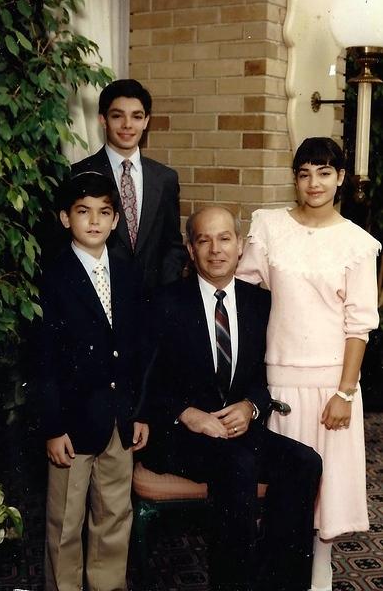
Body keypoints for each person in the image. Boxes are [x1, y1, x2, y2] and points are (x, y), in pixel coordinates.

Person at [140, 205, 322, 591]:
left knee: (305, 462)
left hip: (239, 430)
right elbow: (146, 382)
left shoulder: (260, 303)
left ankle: (278, 582)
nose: (215, 249)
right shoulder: (165, 302)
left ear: (240, 245)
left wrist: (251, 406)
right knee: (236, 465)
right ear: (191, 249)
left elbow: (263, 375)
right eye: (204, 239)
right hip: (182, 436)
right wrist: (187, 414)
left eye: (224, 238)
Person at [236, 137, 381, 591]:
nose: (313, 183)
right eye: (304, 173)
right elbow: (241, 294)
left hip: (330, 388)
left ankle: (319, 575)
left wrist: (344, 392)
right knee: (282, 489)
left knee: (326, 493)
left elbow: (359, 326)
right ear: (295, 179)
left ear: (340, 178)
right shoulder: (269, 226)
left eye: (324, 172)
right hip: (276, 381)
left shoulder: (358, 244)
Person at [36, 173, 149, 591]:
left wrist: (138, 411)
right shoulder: (52, 276)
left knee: (114, 515)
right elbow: (43, 360)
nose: (94, 221)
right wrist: (52, 427)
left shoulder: (127, 272)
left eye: (104, 212)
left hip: (119, 420)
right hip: (71, 424)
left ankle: (107, 585)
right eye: (83, 212)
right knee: (65, 522)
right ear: (66, 218)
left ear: (116, 219)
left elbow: (135, 349)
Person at [71, 78, 187, 294]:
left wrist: (166, 290)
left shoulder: (165, 179)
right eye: (117, 116)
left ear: (146, 121)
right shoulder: (78, 174)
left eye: (137, 116)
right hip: (99, 297)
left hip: (154, 303)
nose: (127, 125)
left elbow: (172, 245)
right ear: (102, 120)